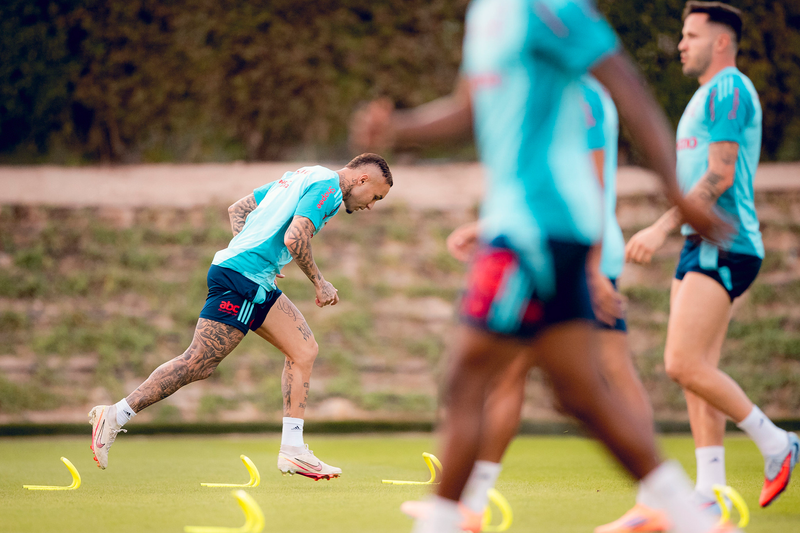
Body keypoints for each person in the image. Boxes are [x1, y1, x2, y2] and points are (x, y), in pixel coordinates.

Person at [351, 1, 733, 532]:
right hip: (528, 224)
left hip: (538, 223)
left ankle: (444, 521)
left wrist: (675, 191)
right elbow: (468, 107)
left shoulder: (550, 8)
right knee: (581, 392)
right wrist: (400, 126)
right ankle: (691, 520)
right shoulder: (486, 15)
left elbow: (627, 86)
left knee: (467, 375)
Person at [398, 74, 660, 533]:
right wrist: (489, 228)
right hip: (549, 252)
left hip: (581, 255)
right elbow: (547, 182)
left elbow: (593, 187)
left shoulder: (583, 95)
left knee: (606, 378)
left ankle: (661, 503)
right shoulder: (557, 90)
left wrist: (594, 266)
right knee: (509, 378)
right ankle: (471, 506)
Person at [88, 153, 393, 480]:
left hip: (255, 278)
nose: (371, 205)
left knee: (304, 350)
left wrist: (251, 248)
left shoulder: (303, 174)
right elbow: (295, 237)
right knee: (198, 362)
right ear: (362, 179)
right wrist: (320, 283)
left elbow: (240, 208)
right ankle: (115, 415)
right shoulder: (329, 188)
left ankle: (293, 450)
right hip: (243, 279)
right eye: (376, 196)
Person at [615, 2, 799, 527]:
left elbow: (720, 174)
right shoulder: (706, 95)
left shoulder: (729, 89)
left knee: (682, 363)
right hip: (702, 244)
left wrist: (660, 227)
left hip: (726, 243)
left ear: (721, 42)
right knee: (697, 371)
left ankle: (778, 443)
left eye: (691, 35)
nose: (681, 44)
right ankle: (711, 491)